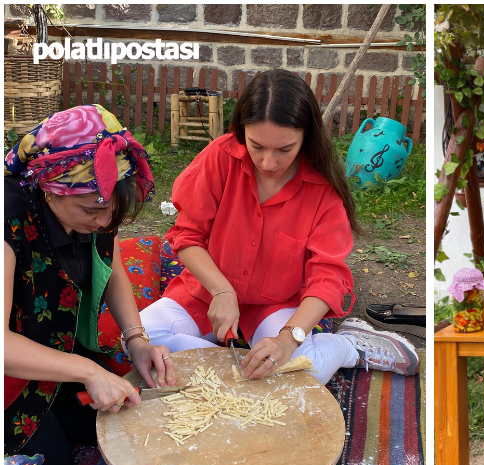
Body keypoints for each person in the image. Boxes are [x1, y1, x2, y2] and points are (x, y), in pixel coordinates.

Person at [140, 69, 419, 384]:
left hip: (277, 302)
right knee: (142, 341)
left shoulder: (322, 190)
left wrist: (289, 338)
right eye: (256, 145)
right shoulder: (220, 157)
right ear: (241, 129)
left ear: (306, 138)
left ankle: (349, 345)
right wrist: (222, 289)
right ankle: (235, 372)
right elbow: (187, 237)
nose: (268, 163)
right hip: (208, 292)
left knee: (303, 371)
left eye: (284, 150)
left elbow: (327, 278)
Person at [4, 104, 176, 465]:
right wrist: (88, 371)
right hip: (8, 373)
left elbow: (112, 268)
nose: (103, 223)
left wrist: (137, 340)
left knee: (119, 418)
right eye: (92, 211)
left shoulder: (100, 207)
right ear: (50, 188)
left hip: (52, 350)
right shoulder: (7, 217)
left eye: (112, 213)